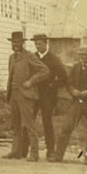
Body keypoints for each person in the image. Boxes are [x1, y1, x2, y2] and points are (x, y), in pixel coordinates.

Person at [20, 33, 68, 161]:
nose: (37, 46)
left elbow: (63, 78)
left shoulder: (54, 59)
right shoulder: (33, 57)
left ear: (46, 44)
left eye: (39, 43)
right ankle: (23, 150)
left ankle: (50, 152)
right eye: (35, 44)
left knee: (47, 122)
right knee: (29, 121)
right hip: (33, 95)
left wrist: (52, 86)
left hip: (48, 96)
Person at [3, 31, 49, 162]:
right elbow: (11, 76)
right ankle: (15, 151)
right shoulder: (11, 58)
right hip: (13, 95)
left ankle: (34, 154)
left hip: (26, 96)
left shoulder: (29, 56)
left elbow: (45, 71)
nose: (15, 45)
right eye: (13, 43)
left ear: (22, 43)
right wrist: (9, 92)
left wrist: (31, 81)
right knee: (15, 124)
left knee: (29, 125)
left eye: (18, 42)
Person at [53, 46, 87, 163]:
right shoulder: (75, 67)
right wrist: (73, 91)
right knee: (66, 128)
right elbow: (69, 83)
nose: (84, 57)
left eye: (85, 55)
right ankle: (58, 156)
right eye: (81, 55)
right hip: (76, 103)